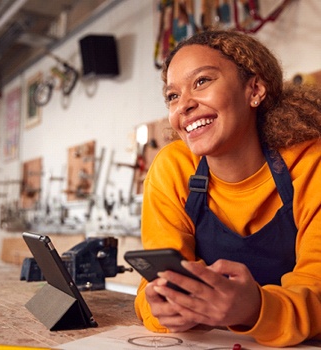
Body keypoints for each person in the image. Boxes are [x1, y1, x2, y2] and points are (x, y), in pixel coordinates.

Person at [134, 29, 321, 347]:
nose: (184, 106)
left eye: (202, 81)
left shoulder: (310, 162)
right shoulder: (172, 168)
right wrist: (160, 308)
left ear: (255, 89)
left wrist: (255, 308)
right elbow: (149, 289)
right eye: (173, 96)